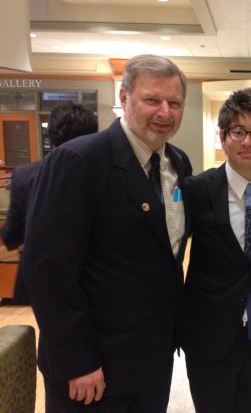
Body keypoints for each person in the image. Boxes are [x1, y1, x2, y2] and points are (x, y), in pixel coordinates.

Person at [23, 54, 191, 412]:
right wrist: (78, 361)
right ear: (124, 97)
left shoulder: (177, 162)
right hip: (93, 370)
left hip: (152, 360)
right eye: (152, 100)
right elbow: (48, 271)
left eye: (174, 103)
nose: (165, 112)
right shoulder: (79, 161)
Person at [182, 88, 251, 413]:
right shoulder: (196, 190)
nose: (248, 141)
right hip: (208, 333)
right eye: (239, 131)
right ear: (223, 136)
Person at [0, 102, 97, 306]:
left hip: (42, 277)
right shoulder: (103, 173)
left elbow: (12, 235)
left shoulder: (25, 175)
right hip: (93, 275)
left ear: (51, 135)